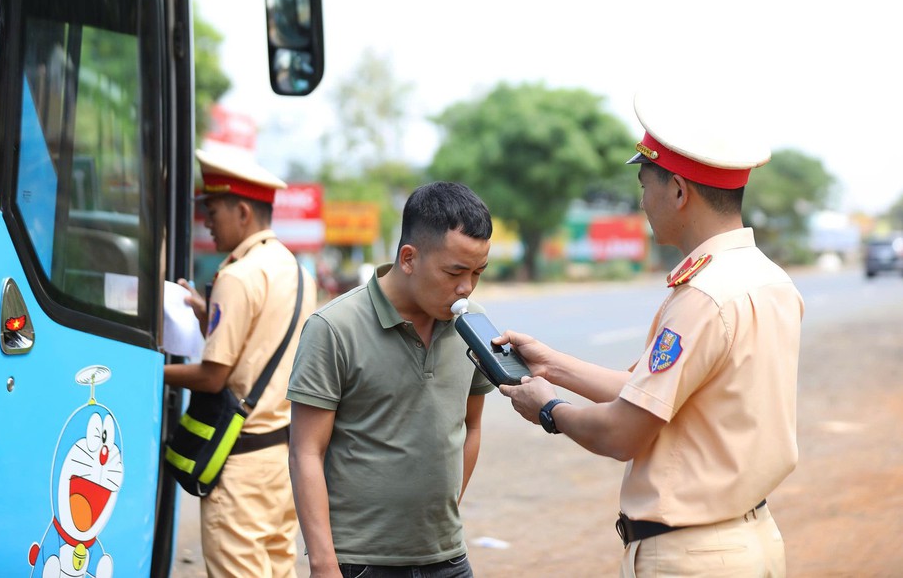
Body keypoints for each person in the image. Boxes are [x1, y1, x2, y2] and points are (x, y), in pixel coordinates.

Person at [498, 89, 805, 576]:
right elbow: (651, 395)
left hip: (694, 557)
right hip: (750, 538)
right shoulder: (767, 278)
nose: (642, 201)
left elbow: (623, 433)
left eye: (646, 185)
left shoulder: (703, 296)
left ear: (679, 191)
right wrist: (551, 363)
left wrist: (549, 409)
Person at [287, 181, 496, 578]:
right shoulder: (333, 328)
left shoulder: (473, 324)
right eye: (454, 271)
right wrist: (323, 563)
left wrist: (441, 517)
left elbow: (471, 426)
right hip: (362, 563)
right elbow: (305, 452)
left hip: (449, 559)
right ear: (408, 258)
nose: (465, 287)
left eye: (478, 272)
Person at [164, 149, 316, 578]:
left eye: (212, 210)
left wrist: (146, 372)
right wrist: (205, 312)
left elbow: (213, 377)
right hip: (282, 461)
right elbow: (265, 341)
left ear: (243, 211)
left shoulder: (237, 275)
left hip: (241, 465)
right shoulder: (295, 270)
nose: (206, 221)